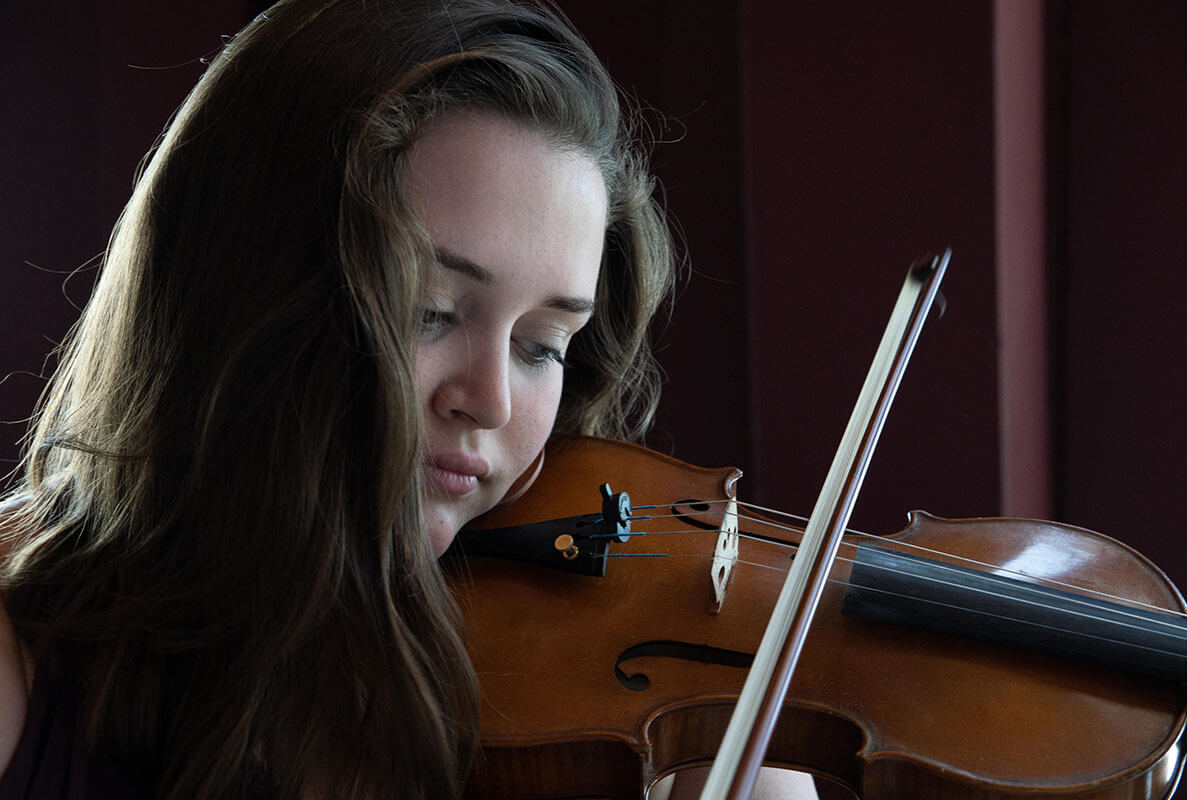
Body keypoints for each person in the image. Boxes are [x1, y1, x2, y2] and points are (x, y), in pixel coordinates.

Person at [0, 0, 818, 797]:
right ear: (243, 296)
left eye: (541, 347)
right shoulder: (20, 677)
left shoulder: (611, 721)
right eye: (427, 311)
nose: (491, 401)